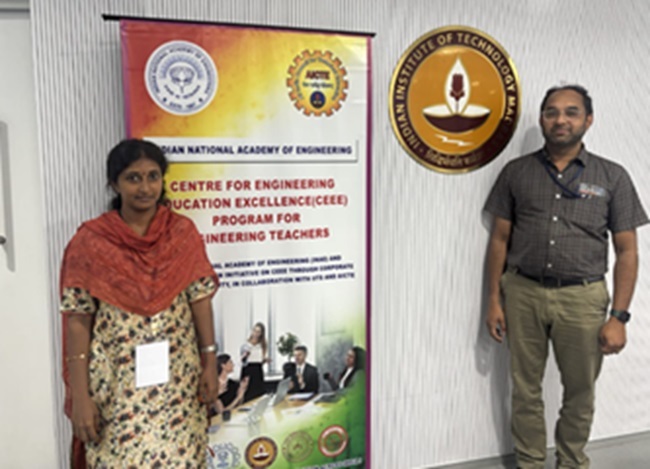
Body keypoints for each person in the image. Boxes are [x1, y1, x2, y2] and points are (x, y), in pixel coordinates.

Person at [484, 85, 648, 469]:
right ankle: (530, 463)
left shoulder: (612, 176)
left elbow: (628, 251)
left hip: (583, 298)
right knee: (525, 389)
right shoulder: (516, 173)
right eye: (551, 112)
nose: (561, 120)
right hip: (522, 293)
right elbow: (499, 239)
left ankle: (572, 462)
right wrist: (493, 300)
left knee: (580, 391)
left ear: (588, 120)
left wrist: (619, 317)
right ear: (543, 119)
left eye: (571, 112)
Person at [60, 139, 220, 468]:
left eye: (153, 177)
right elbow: (78, 319)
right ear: (114, 183)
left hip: (178, 383)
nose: (145, 188)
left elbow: (200, 300)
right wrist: (80, 397)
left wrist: (209, 361)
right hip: (117, 388)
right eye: (133, 178)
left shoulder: (182, 233)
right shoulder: (91, 242)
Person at [240, 322, 270, 402]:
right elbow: (242, 360)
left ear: (261, 333)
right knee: (248, 392)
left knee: (258, 391)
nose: (255, 334)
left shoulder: (262, 345)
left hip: (258, 369)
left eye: (258, 332)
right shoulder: (246, 344)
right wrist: (246, 355)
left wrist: (264, 360)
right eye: (254, 331)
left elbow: (260, 360)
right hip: (248, 369)